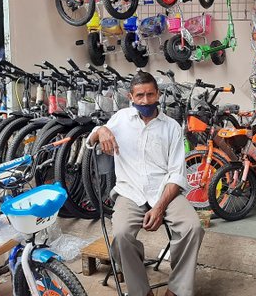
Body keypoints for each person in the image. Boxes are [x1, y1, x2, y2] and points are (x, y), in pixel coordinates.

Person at [87, 71, 204, 296]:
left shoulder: (171, 127)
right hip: (129, 192)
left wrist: (159, 207)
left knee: (193, 227)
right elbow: (90, 143)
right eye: (140, 95)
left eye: (150, 94)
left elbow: (176, 174)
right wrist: (100, 130)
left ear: (158, 94)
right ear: (131, 96)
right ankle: (141, 292)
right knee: (121, 235)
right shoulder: (120, 119)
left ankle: (177, 289)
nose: (145, 100)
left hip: (165, 192)